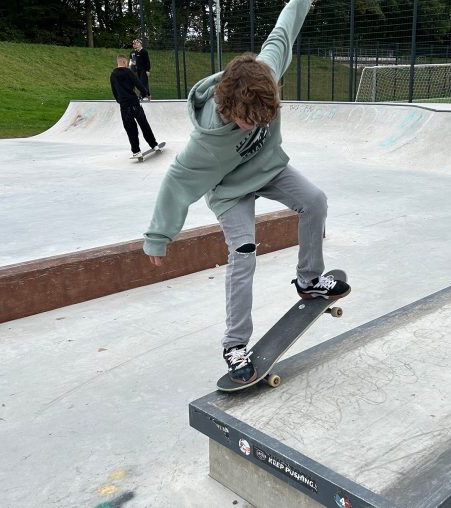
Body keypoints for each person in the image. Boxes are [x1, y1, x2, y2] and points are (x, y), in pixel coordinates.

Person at [141, 0, 350, 386]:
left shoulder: (265, 73)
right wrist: (159, 236)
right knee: (244, 252)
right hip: (229, 190)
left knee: (315, 200)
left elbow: (283, 32)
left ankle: (308, 280)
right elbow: (177, 182)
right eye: (247, 121)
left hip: (268, 170)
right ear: (228, 107)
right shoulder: (205, 143)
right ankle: (235, 344)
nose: (256, 125)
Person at [110, 54, 161, 157]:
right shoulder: (129, 72)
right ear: (124, 62)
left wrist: (120, 101)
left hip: (124, 106)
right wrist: (146, 94)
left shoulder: (113, 75)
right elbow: (138, 84)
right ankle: (154, 145)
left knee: (130, 129)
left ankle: (136, 151)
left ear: (118, 62)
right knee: (144, 124)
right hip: (134, 103)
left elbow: (114, 91)